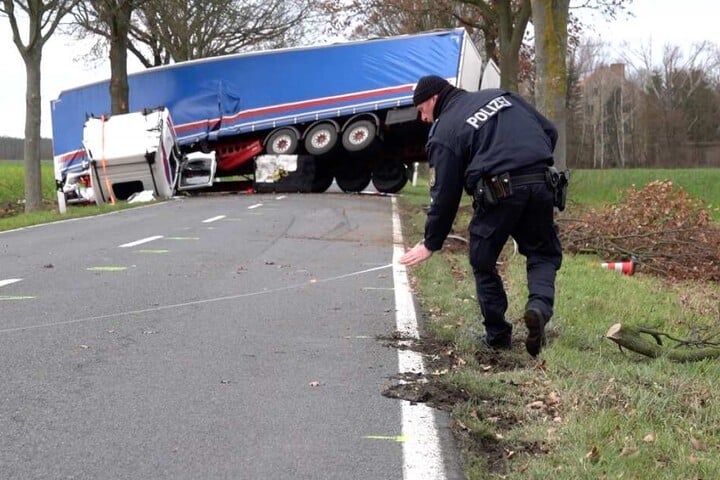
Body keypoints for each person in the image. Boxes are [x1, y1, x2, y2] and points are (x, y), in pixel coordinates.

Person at [399, 75, 562, 357]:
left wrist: (431, 242)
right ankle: (539, 308)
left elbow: (444, 195)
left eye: (421, 109)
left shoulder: (445, 131)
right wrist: (530, 163)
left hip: (500, 191)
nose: (422, 117)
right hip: (541, 181)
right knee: (543, 253)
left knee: (482, 258)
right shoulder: (502, 94)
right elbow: (549, 130)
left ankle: (498, 335)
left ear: (432, 99)